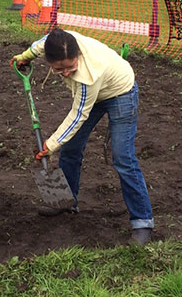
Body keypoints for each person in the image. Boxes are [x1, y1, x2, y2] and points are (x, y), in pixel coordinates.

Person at [11, 28, 154, 245]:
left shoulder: (88, 75)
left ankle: (142, 222)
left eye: (70, 67)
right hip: (95, 94)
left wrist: (50, 145)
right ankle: (67, 203)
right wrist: (24, 57)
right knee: (70, 148)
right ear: (50, 61)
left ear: (78, 54)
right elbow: (39, 45)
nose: (66, 73)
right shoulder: (57, 42)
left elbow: (78, 115)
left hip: (121, 92)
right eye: (59, 69)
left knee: (123, 157)